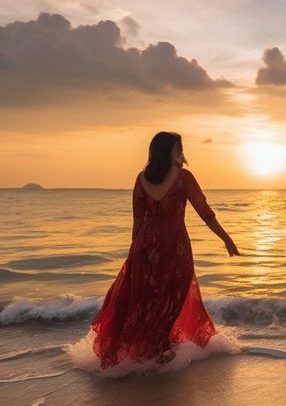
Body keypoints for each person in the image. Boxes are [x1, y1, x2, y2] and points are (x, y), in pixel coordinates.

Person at [90, 131, 240, 370]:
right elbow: (205, 212)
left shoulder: (142, 179)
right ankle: (157, 352)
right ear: (168, 151)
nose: (181, 153)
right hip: (174, 247)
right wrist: (226, 238)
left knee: (145, 300)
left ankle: (146, 354)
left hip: (144, 246)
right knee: (172, 299)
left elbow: (138, 220)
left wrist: (134, 253)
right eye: (178, 148)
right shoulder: (184, 177)